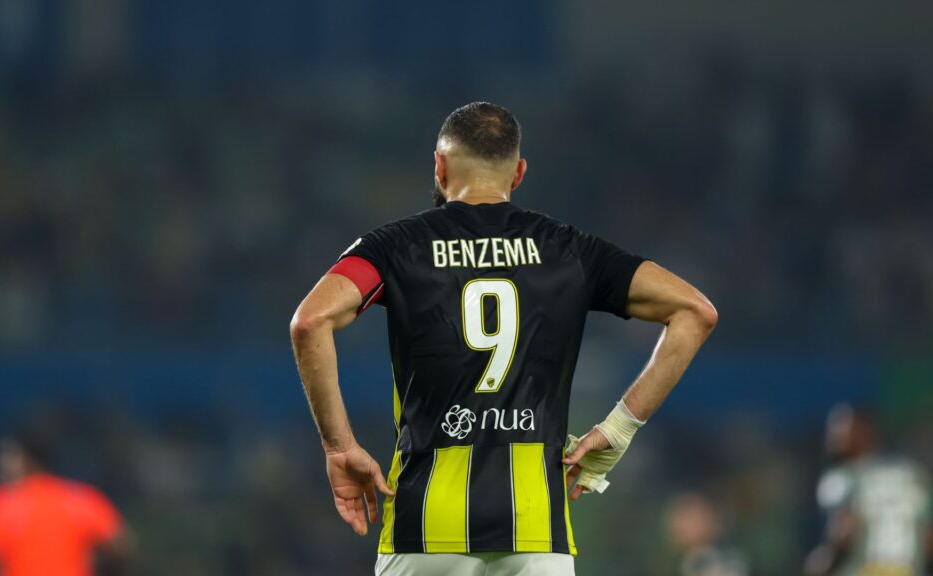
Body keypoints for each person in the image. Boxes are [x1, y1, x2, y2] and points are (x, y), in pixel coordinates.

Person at [291, 101, 717, 575]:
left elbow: (309, 321)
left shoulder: (395, 246)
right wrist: (619, 429)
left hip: (425, 528)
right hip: (537, 532)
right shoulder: (569, 249)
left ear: (439, 166)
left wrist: (339, 447)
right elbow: (694, 311)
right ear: (518, 174)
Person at [805, 404, 933, 576]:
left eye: (840, 426)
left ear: (863, 432)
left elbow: (843, 534)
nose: (832, 434)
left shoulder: (843, 478)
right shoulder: (915, 476)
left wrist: (819, 566)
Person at [0, 432, 131, 576]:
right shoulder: (79, 497)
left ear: (28, 461)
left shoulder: (0, 504)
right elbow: (121, 545)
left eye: (9, 458)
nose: (1, 467)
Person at [663, 491, 749, 576]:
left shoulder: (733, 560)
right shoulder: (669, 569)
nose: (696, 523)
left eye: (700, 514)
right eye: (684, 517)